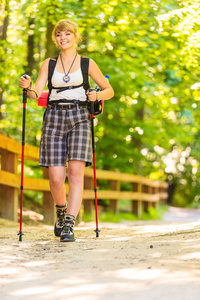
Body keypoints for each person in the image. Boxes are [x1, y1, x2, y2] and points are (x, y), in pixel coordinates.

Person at [19, 19, 114, 242]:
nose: (63, 38)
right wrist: (28, 87)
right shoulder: (48, 64)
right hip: (53, 116)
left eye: (67, 34)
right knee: (55, 177)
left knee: (75, 173)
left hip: (80, 117)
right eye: (59, 35)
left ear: (75, 37)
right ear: (55, 38)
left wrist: (97, 95)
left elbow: (109, 90)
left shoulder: (87, 63)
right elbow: (36, 94)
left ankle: (69, 224)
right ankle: (61, 211)